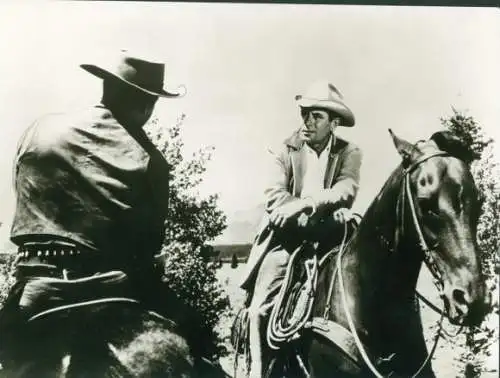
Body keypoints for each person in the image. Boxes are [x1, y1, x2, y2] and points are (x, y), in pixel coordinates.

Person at [0, 50, 186, 375]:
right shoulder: (150, 160)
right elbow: (149, 246)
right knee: (194, 341)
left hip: (36, 290)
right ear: (147, 103)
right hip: (110, 287)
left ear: (107, 86)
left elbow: (21, 192)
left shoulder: (39, 130)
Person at [239, 80, 363, 377]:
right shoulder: (285, 149)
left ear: (334, 123)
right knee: (259, 311)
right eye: (305, 113)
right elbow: (274, 195)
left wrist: (304, 203)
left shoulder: (350, 152)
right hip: (287, 239)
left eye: (316, 116)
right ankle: (258, 371)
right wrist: (301, 211)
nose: (307, 121)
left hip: (333, 238)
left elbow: (346, 189)